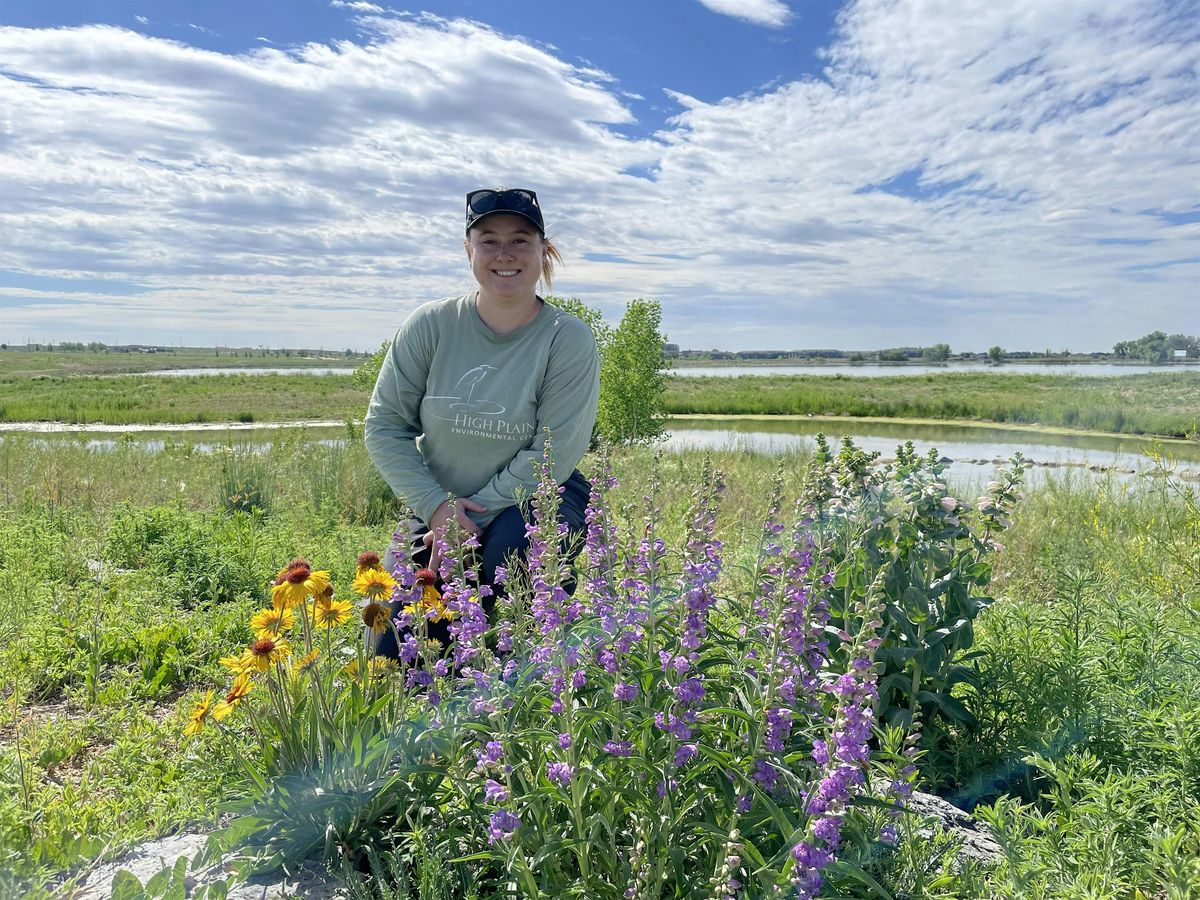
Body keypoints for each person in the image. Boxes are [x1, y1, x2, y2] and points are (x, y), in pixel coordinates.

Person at [364, 188, 600, 656]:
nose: (504, 254)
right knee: (392, 639)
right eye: (488, 240)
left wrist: (469, 520)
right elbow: (385, 427)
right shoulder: (430, 325)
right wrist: (437, 509)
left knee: (508, 579)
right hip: (439, 504)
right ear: (468, 250)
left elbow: (555, 450)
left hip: (540, 497)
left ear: (543, 250)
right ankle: (433, 704)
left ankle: (518, 705)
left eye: (521, 240)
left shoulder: (566, 339)